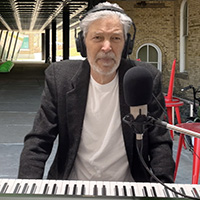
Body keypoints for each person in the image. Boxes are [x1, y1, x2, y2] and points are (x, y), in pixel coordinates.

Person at [18, 1, 175, 183]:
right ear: (82, 43)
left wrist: (160, 190)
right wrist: (26, 187)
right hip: (73, 186)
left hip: (129, 187)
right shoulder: (60, 78)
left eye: (116, 38)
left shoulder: (145, 78)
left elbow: (160, 143)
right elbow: (39, 140)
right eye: (98, 38)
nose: (107, 47)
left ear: (126, 45)